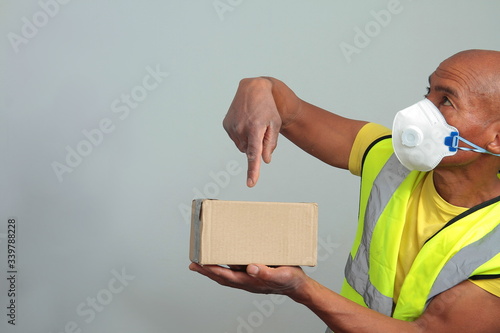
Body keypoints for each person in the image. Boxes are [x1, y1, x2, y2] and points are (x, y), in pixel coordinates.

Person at [189, 49, 500, 332]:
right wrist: (257, 86)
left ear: (496, 139)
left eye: (446, 100)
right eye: (427, 92)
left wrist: (300, 288)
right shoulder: (390, 159)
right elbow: (291, 111)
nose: (420, 111)